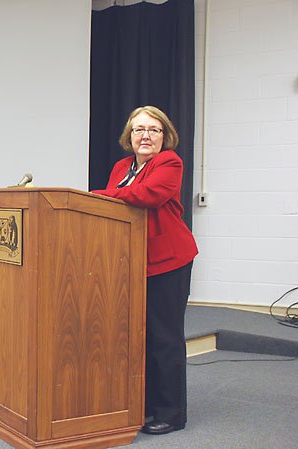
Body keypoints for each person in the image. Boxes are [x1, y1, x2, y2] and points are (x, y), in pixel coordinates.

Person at [91, 105, 198, 435]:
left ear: (164, 136)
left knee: (164, 337)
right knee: (138, 338)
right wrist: (111, 197)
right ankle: (146, 405)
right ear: (129, 136)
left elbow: (146, 195)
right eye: (139, 129)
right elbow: (115, 208)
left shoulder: (169, 162)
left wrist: (99, 195)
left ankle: (172, 412)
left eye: (153, 130)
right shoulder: (121, 166)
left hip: (168, 261)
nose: (145, 135)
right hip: (132, 263)